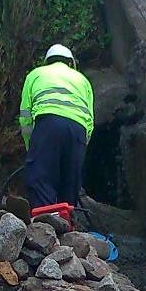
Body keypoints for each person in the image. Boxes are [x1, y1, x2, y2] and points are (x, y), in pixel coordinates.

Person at [18, 44, 95, 210]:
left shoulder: (35, 74)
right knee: (70, 179)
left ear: (47, 61)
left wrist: (31, 147)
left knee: (40, 176)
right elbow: (90, 120)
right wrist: (81, 146)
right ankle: (66, 223)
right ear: (70, 63)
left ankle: (44, 222)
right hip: (78, 130)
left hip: (47, 123)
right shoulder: (83, 80)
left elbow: (25, 116)